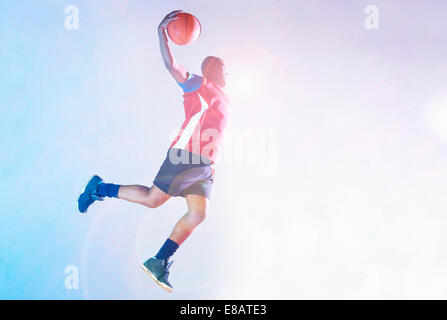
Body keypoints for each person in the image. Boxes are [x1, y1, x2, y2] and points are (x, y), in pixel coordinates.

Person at [77, 10, 229, 293]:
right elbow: (173, 68)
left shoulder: (223, 96)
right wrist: (162, 34)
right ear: (209, 70)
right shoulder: (201, 86)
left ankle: (160, 260)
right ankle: (100, 188)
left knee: (198, 215)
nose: (226, 70)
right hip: (187, 155)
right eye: (220, 66)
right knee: (151, 199)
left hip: (205, 166)